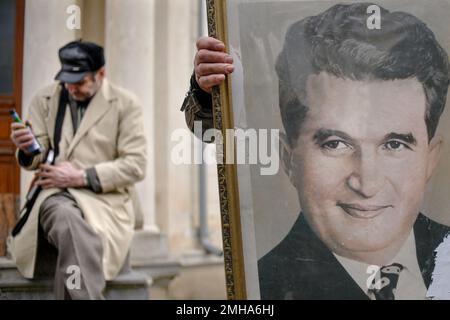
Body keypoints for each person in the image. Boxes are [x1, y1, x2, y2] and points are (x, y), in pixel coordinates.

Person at [183, 3, 450, 300]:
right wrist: (214, 97)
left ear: (431, 158)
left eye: (394, 144)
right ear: (289, 158)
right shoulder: (263, 288)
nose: (367, 183)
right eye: (335, 143)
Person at [10, 40, 147, 299]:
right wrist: (27, 148)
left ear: (101, 74)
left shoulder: (127, 104)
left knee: (77, 239)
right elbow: (38, 156)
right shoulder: (45, 98)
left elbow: (136, 165)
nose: (72, 88)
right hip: (55, 194)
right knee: (68, 221)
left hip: (106, 200)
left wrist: (81, 176)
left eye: (80, 81)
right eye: (67, 80)